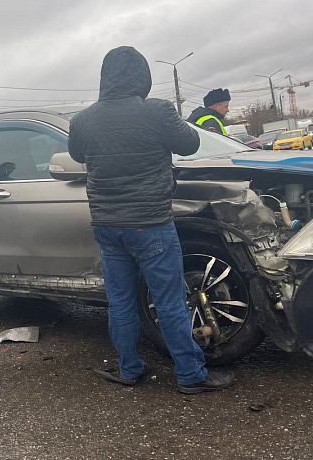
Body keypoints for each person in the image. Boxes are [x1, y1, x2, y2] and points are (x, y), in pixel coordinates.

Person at [68, 46, 234, 394]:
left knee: (121, 301)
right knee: (171, 301)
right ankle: (190, 375)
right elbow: (189, 144)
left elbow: (77, 154)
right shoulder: (158, 111)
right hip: (151, 223)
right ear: (143, 76)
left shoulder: (82, 121)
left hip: (108, 227)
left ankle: (130, 369)